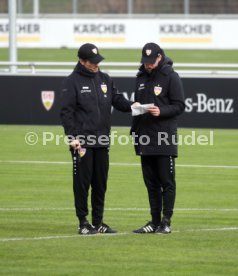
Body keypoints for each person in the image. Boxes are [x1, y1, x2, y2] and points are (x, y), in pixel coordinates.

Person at [60, 43, 134, 235]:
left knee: (100, 184)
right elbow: (66, 112)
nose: (96, 65)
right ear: (82, 61)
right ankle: (83, 223)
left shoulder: (105, 79)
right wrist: (72, 137)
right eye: (92, 62)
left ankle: (98, 222)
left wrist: (135, 106)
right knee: (82, 184)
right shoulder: (72, 81)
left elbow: (118, 101)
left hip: (102, 141)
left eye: (97, 61)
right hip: (82, 142)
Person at [131, 42, 185, 234]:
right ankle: (154, 222)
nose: (148, 65)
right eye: (145, 62)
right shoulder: (140, 77)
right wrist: (136, 106)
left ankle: (166, 222)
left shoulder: (171, 76)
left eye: (152, 62)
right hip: (144, 137)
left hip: (164, 136)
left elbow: (179, 106)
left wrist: (161, 111)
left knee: (167, 182)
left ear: (160, 57)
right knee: (151, 183)